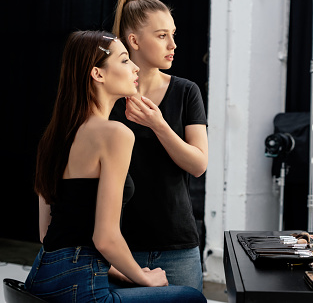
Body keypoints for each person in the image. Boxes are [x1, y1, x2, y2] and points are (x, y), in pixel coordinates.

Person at [25, 30, 206, 303]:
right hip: (80, 285)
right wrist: (143, 277)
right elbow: (105, 238)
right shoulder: (115, 134)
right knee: (190, 298)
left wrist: (123, 273)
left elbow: (46, 232)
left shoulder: (54, 137)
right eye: (124, 60)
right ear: (97, 74)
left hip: (40, 277)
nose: (134, 67)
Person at [109, 0, 208, 292]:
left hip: (177, 245)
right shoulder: (108, 96)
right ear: (134, 41)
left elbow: (198, 164)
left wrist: (159, 124)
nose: (173, 45)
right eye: (162, 35)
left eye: (173, 35)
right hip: (120, 247)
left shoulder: (186, 91)